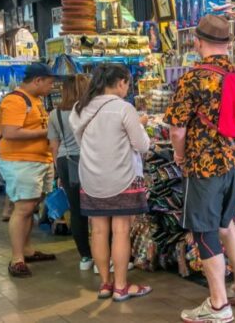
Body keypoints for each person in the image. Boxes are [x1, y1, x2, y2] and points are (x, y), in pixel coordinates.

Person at [165, 15, 235, 323]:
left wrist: (179, 156)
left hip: (205, 165)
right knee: (226, 224)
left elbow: (177, 129)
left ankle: (218, 305)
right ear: (228, 44)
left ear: (197, 42)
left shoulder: (193, 78)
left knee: (205, 231)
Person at [69, 63, 151, 302]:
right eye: (127, 83)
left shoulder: (79, 109)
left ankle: (105, 284)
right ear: (121, 82)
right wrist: (141, 125)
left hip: (91, 176)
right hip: (122, 176)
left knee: (98, 231)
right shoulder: (123, 109)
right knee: (121, 231)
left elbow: (81, 140)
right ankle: (122, 287)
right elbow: (142, 145)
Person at [0, 63, 57, 278]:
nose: (51, 88)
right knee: (22, 209)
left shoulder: (36, 101)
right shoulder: (15, 100)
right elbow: (10, 133)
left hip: (38, 161)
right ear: (37, 80)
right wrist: (46, 131)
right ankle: (17, 259)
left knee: (30, 207)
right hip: (21, 162)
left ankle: (28, 250)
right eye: (49, 83)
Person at [47, 74, 93, 271]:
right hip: (90, 161)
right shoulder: (89, 111)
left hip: (66, 162)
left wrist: (58, 170)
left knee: (76, 210)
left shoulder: (54, 114)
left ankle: (85, 257)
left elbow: (54, 145)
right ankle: (104, 257)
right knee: (99, 209)